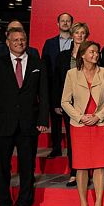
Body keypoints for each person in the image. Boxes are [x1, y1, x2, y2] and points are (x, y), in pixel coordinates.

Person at [0, 27, 49, 206]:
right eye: (15, 40)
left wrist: (43, 120)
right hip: (3, 124)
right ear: (8, 42)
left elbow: (44, 94)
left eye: (22, 39)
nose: (20, 43)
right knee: (2, 167)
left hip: (29, 125)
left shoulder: (38, 63)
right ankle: (4, 205)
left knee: (28, 167)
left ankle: (24, 204)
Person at [60, 40, 104, 206]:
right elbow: (64, 102)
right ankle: (84, 205)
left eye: (97, 52)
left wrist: (98, 116)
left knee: (100, 165)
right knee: (82, 166)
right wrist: (80, 116)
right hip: (80, 126)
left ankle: (98, 205)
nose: (95, 54)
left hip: (100, 124)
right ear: (82, 55)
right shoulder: (71, 74)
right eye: (91, 52)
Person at [53, 22, 90, 187]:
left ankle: (87, 171)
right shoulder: (62, 56)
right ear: (72, 35)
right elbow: (57, 81)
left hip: (88, 103)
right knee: (72, 139)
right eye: (77, 33)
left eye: (83, 33)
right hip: (69, 104)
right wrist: (57, 102)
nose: (80, 36)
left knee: (86, 141)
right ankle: (74, 172)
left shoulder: (92, 53)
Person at [41, 12, 73, 158]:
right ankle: (56, 148)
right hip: (54, 84)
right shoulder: (49, 43)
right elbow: (44, 65)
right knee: (55, 118)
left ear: (71, 24)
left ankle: (73, 148)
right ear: (57, 24)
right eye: (62, 21)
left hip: (72, 84)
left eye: (68, 21)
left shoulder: (77, 42)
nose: (65, 23)